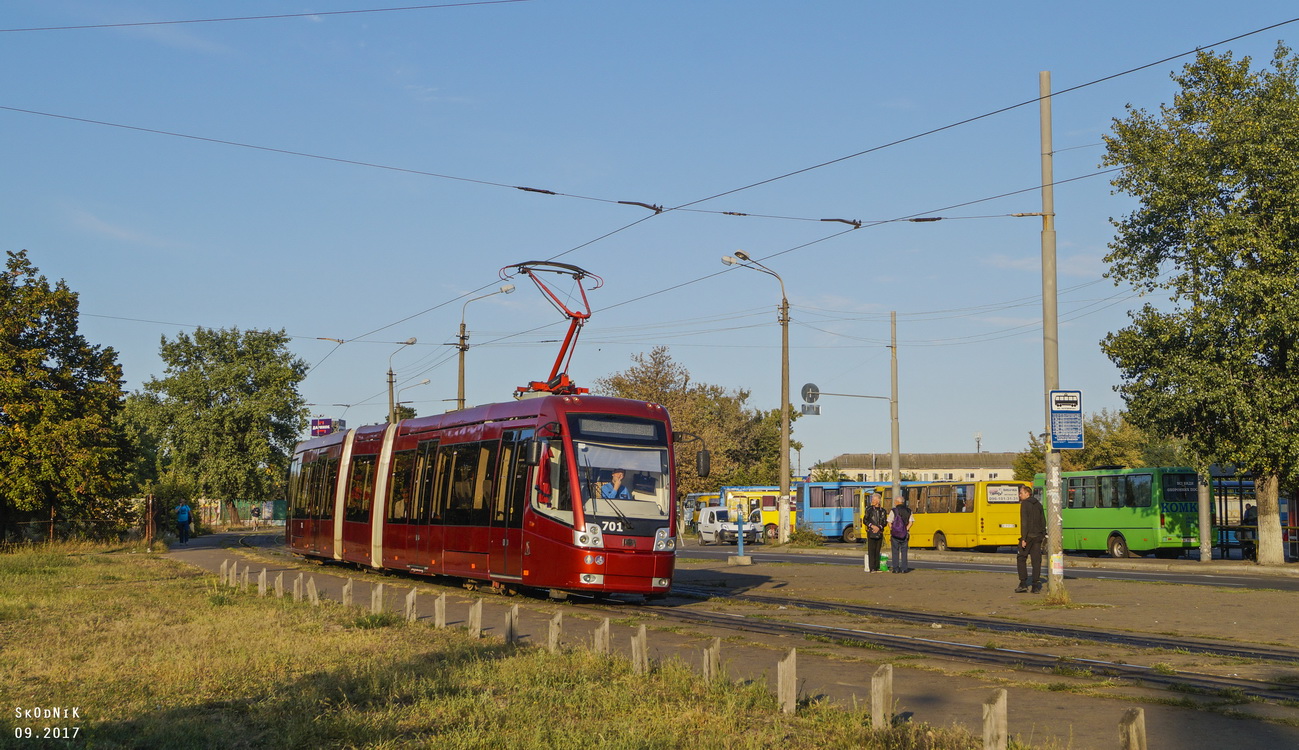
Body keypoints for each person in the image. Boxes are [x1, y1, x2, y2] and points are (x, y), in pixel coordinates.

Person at [1016, 485, 1046, 593]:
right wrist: (1042, 534)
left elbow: (1024, 522)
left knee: (1021, 558)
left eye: (1021, 493)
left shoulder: (1025, 504)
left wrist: (1023, 538)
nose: (1020, 495)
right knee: (1036, 561)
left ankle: (1023, 583)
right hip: (1038, 536)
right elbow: (1043, 520)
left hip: (1028, 536)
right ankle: (1035, 585)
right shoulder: (1039, 504)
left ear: (1027, 494)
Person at [886, 496, 913, 573]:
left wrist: (893, 529)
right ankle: (904, 568)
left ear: (897, 502)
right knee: (904, 551)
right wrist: (905, 529)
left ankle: (896, 568)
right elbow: (911, 522)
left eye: (895, 501)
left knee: (895, 551)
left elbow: (889, 521)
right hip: (905, 534)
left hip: (895, 534)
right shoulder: (909, 511)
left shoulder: (894, 511)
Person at [864, 492, 889, 573]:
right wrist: (872, 526)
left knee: (877, 550)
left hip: (879, 532)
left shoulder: (883, 511)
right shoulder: (869, 509)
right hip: (871, 531)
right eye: (872, 499)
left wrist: (879, 527)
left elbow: (885, 522)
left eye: (874, 499)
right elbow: (865, 520)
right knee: (871, 550)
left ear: (878, 501)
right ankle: (872, 568)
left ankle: (877, 566)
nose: (872, 501)